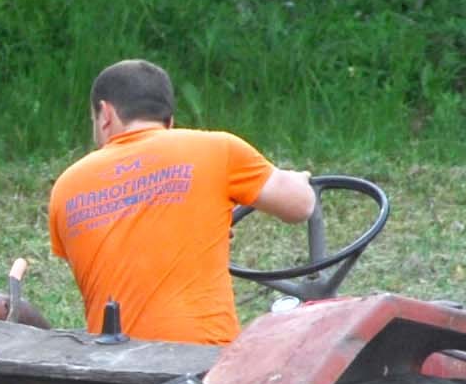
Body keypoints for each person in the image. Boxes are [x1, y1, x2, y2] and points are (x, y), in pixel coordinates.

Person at [42, 59, 320, 347]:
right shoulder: (215, 149)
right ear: (169, 122)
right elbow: (300, 206)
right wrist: (299, 180)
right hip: (202, 363)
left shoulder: (67, 185)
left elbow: (116, 251)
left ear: (106, 115)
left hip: (111, 367)